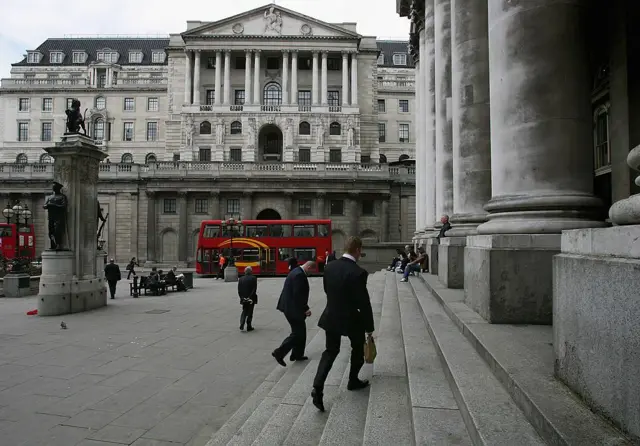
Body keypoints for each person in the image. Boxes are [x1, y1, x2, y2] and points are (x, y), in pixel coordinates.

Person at [311, 236, 374, 412]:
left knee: (330, 351)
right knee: (358, 349)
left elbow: (326, 290)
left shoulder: (329, 267)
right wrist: (369, 328)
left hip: (331, 315)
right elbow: (364, 303)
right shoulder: (359, 272)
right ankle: (352, 380)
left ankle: (318, 387)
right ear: (358, 250)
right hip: (352, 318)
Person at [272, 259, 315, 366]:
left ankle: (297, 354)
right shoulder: (300, 275)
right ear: (308, 267)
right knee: (298, 333)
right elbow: (298, 294)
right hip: (293, 308)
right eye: (311, 271)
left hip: (289, 307)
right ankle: (279, 352)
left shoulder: (295, 271)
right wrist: (306, 308)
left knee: (301, 332)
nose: (311, 274)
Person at [238, 266, 258, 331]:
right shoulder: (254, 278)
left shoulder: (240, 279)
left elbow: (239, 290)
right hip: (251, 298)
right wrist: (250, 298)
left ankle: (242, 323)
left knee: (244, 310)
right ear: (251, 272)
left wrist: (243, 298)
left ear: (245, 272)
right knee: (250, 311)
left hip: (243, 298)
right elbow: (254, 289)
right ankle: (249, 326)